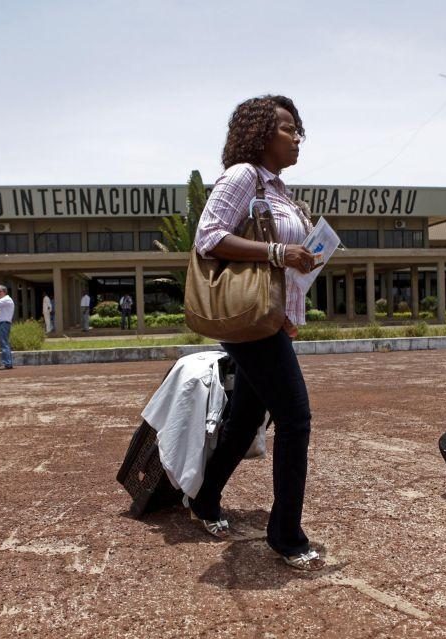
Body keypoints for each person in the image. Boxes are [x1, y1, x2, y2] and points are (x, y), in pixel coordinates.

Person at [188, 94, 322, 571]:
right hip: (247, 319)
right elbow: (208, 236)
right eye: (288, 129)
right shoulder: (243, 175)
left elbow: (286, 263)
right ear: (262, 134)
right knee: (295, 418)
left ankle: (204, 500)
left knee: (246, 416)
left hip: (268, 320)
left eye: (298, 129)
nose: (296, 137)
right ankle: (285, 533)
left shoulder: (280, 191)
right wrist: (280, 254)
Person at [0, 285, 15, 369]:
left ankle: (7, 363)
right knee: (4, 343)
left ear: (5, 292)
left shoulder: (6, 299)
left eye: (0, 291)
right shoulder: (4, 301)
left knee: (4, 343)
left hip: (4, 323)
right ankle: (7, 362)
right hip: (3, 323)